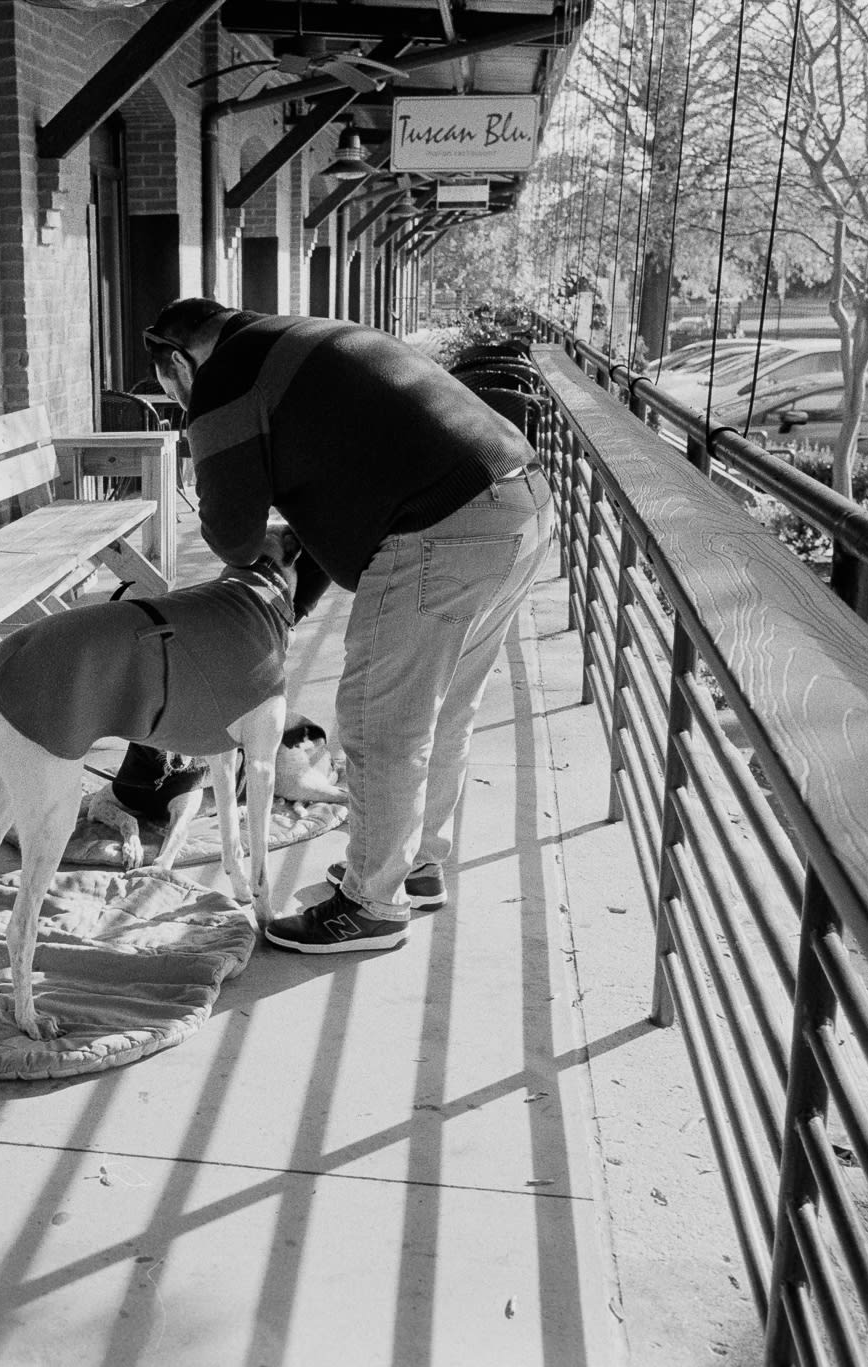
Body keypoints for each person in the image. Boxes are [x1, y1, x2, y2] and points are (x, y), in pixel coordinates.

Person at [142, 298, 557, 954]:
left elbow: (232, 534)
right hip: (521, 503)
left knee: (379, 723)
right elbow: (337, 483)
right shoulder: (297, 337)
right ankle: (414, 865)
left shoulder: (225, 376)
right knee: (445, 708)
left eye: (169, 381)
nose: (174, 394)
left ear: (176, 359)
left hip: (442, 528)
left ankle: (371, 905)